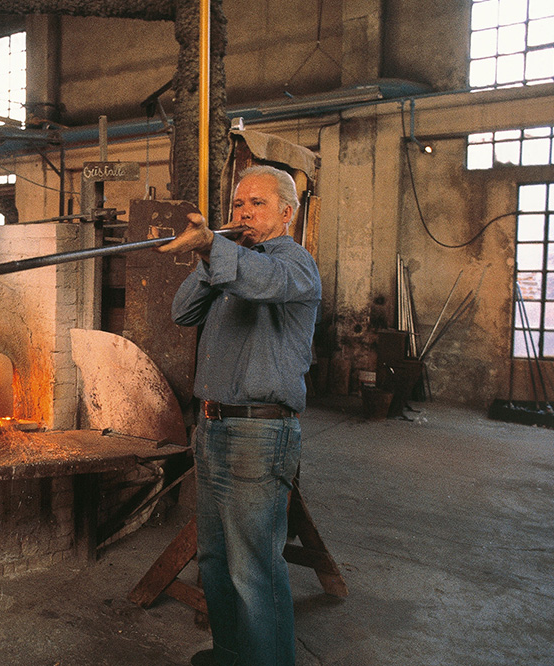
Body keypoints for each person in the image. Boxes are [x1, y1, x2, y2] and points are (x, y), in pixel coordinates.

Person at [157, 164, 321, 666]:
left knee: (254, 568)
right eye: (237, 205)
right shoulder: (233, 264)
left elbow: (266, 281)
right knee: (216, 559)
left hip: (258, 432)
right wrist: (211, 257)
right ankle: (230, 654)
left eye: (258, 204)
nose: (244, 213)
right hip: (214, 427)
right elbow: (182, 312)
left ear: (287, 213)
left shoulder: (294, 264)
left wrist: (214, 249)